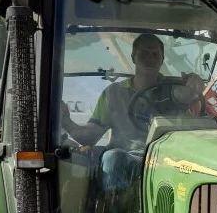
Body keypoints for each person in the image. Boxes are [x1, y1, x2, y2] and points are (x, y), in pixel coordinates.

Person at [60, 33, 205, 192]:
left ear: (162, 59)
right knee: (113, 157)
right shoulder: (113, 94)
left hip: (166, 161)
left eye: (155, 54)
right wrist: (65, 120)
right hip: (124, 159)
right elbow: (90, 136)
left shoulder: (173, 91)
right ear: (133, 57)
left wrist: (192, 88)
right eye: (144, 53)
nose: (150, 58)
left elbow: (184, 97)